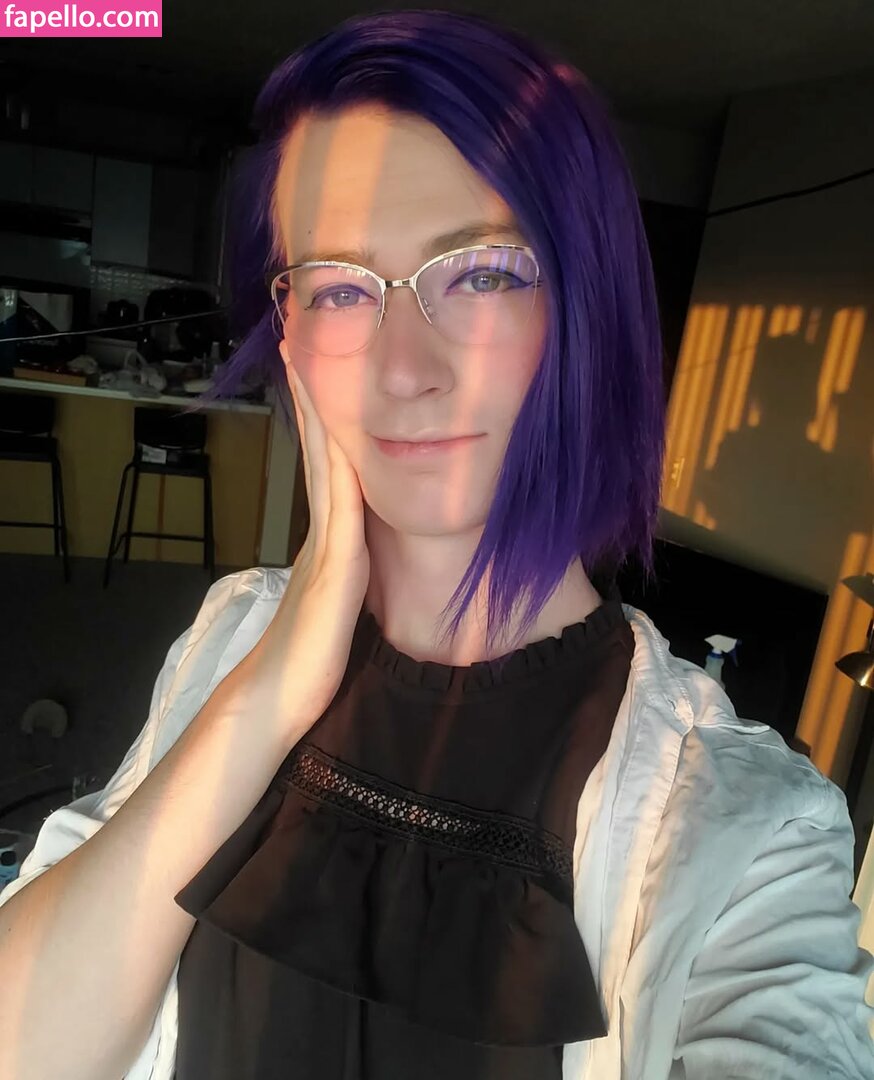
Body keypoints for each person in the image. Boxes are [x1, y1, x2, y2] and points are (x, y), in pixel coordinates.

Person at [1, 9, 873, 1080]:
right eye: (338, 288)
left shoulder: (753, 831)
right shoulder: (233, 634)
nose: (402, 369)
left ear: (586, 310)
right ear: (290, 336)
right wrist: (274, 678)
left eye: (483, 271)